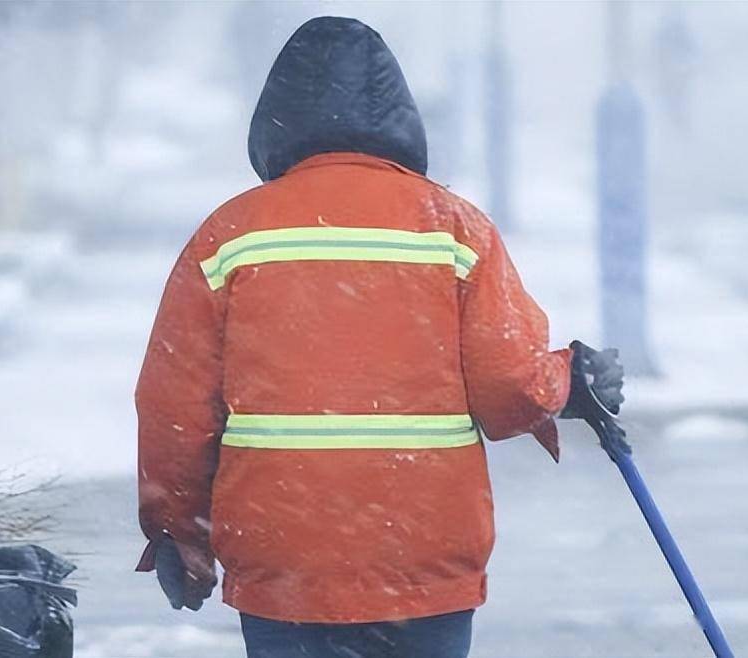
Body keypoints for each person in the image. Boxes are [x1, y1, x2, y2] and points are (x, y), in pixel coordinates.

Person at [135, 16, 624, 658]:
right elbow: (509, 388)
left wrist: (179, 532)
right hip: (420, 553)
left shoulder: (230, 234)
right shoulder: (453, 229)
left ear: (275, 122)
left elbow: (174, 405)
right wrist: (568, 378)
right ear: (401, 119)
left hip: (285, 554)